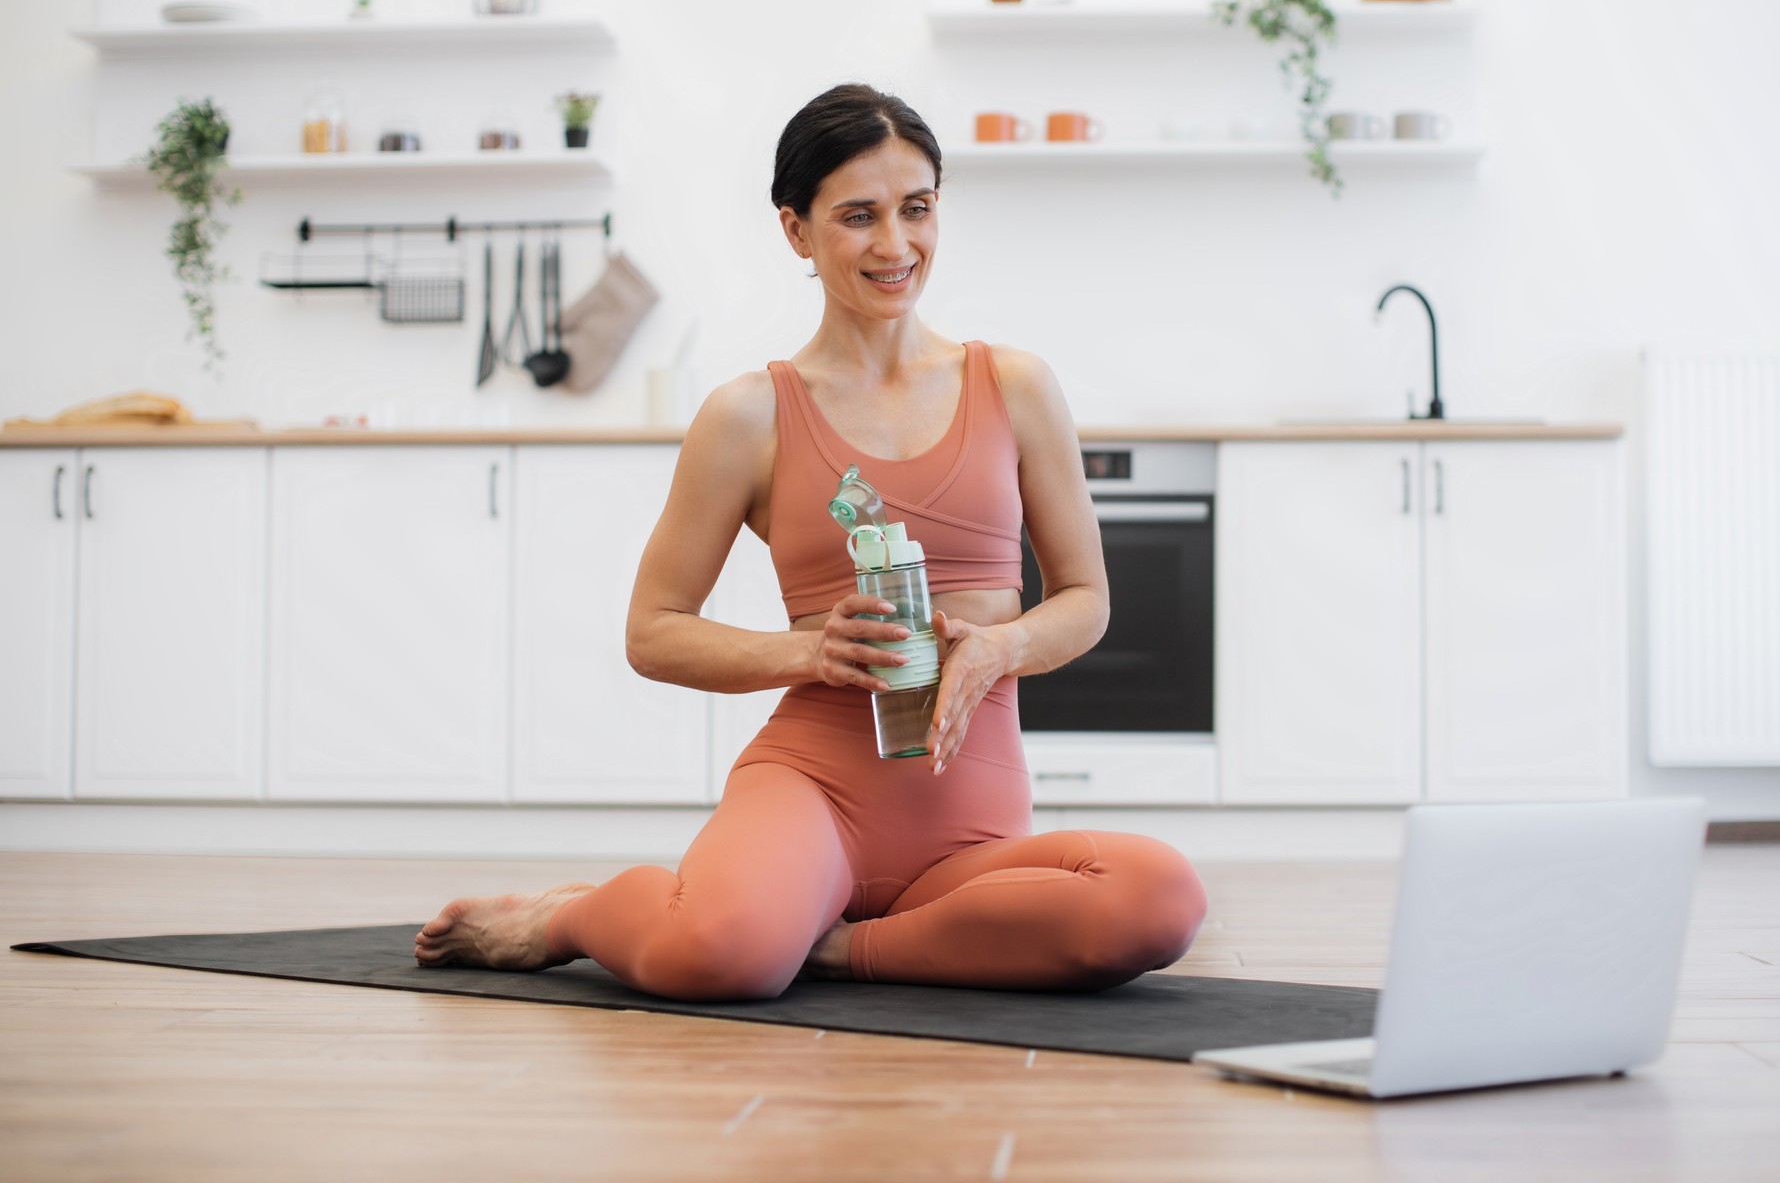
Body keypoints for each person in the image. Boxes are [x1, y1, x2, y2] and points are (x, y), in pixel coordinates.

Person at [414, 83, 1208, 1000]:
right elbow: (654, 630)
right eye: (857, 217)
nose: (895, 245)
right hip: (815, 794)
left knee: (1159, 900)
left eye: (916, 209)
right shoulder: (750, 416)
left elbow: (1085, 600)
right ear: (796, 230)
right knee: (720, 957)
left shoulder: (1017, 387)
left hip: (973, 825)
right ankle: (565, 918)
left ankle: (828, 948)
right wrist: (808, 652)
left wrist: (1003, 646)